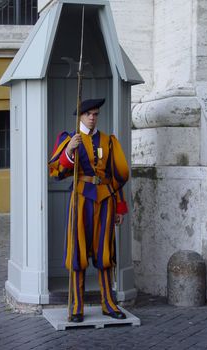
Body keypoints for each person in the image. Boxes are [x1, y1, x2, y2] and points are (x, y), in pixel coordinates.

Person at [48, 98, 129, 322]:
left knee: (105, 254)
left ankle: (109, 304)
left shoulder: (108, 141)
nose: (93, 117)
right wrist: (69, 154)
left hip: (105, 201)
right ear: (80, 116)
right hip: (81, 200)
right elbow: (55, 173)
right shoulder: (69, 139)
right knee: (78, 253)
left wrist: (120, 207)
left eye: (96, 114)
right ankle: (77, 307)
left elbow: (117, 177)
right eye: (88, 114)